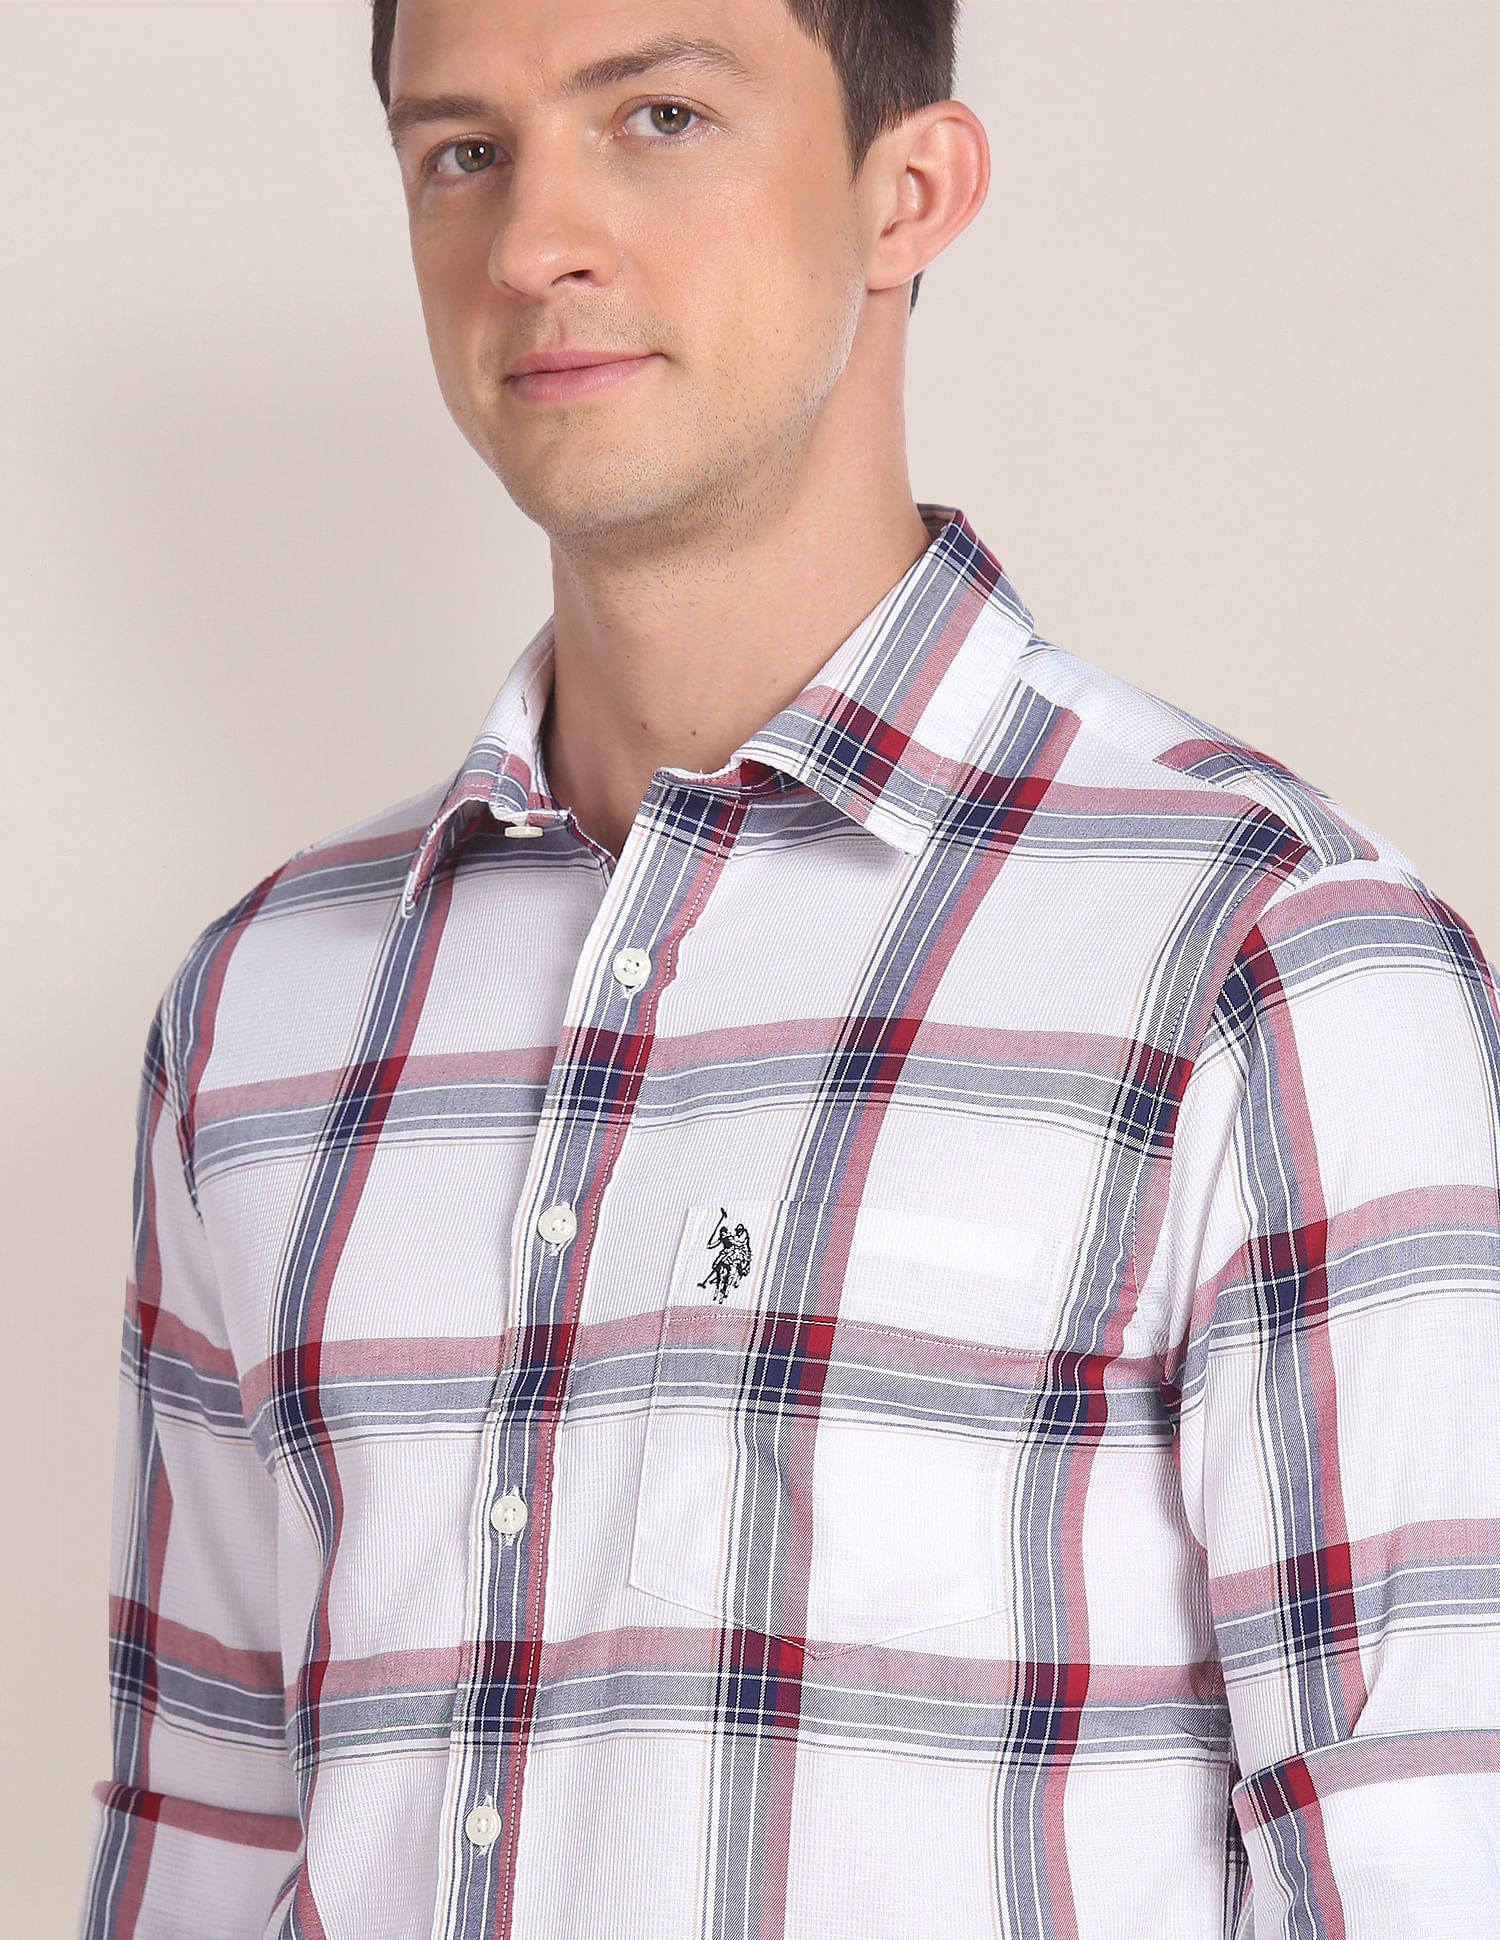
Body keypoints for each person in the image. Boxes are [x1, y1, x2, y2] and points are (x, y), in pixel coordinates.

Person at [78, 0, 1500, 1933]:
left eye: (659, 116)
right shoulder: (263, 1011)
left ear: (909, 191)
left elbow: (1421, 1861)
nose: (533, 243)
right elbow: (203, 1837)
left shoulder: (1267, 957)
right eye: (462, 152)